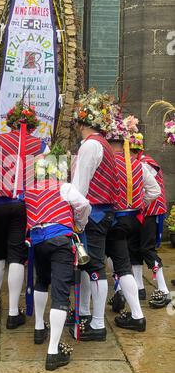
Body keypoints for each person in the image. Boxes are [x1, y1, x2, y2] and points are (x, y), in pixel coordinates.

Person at [0, 101, 50, 329]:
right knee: (16, 255)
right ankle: (12, 312)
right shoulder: (40, 146)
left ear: (10, 123)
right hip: (22, 205)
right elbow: (45, 178)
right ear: (32, 125)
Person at [24, 155, 91, 371]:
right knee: (61, 294)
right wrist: (79, 223)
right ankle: (53, 351)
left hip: (38, 240)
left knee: (41, 281)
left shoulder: (29, 189)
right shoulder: (65, 187)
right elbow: (84, 205)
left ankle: (38, 328)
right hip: (61, 240)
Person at [70, 89, 119, 342]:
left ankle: (98, 324)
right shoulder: (104, 145)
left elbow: (79, 188)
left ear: (82, 122)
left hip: (94, 214)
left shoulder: (90, 145)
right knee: (89, 266)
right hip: (102, 212)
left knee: (96, 267)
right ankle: (86, 312)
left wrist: (75, 219)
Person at [105, 113, 160, 331]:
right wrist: (140, 203)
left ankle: (117, 295)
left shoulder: (107, 162)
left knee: (111, 260)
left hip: (113, 220)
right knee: (124, 260)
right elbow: (154, 191)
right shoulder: (138, 165)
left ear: (110, 142)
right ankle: (126, 299)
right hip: (134, 219)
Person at [128, 131, 171, 308]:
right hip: (140, 211)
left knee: (147, 249)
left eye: (129, 151)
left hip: (150, 211)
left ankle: (164, 290)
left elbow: (149, 190)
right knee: (134, 249)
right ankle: (139, 288)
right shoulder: (140, 162)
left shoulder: (145, 164)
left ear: (136, 151)